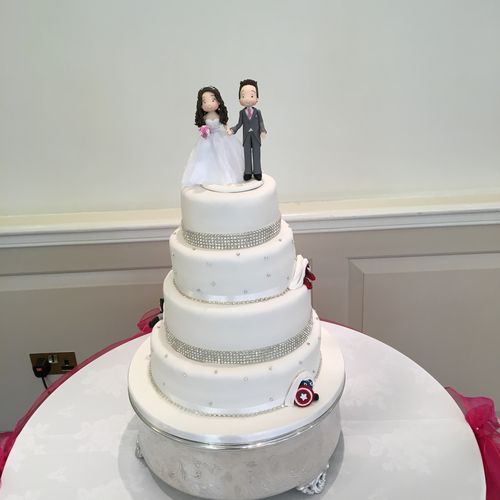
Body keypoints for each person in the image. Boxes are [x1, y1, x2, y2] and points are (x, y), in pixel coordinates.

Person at [182, 86, 244, 187]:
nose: (209, 104)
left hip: (220, 138)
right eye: (205, 102)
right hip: (207, 139)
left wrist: (228, 130)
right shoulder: (204, 117)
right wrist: (203, 130)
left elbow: (225, 124)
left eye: (212, 100)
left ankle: (225, 175)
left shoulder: (219, 116)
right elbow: (201, 127)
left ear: (218, 101)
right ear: (201, 104)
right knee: (206, 157)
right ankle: (207, 176)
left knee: (223, 156)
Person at [228, 79, 267, 181]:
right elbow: (239, 124)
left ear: (257, 98)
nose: (248, 99)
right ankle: (248, 171)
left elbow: (261, 122)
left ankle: (257, 171)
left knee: (257, 153)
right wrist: (233, 130)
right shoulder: (241, 113)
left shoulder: (257, 112)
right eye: (243, 96)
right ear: (240, 99)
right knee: (247, 154)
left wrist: (263, 130)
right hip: (246, 137)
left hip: (256, 136)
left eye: (252, 96)